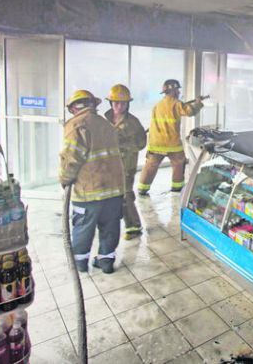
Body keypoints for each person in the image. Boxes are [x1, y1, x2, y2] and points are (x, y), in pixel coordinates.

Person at [59, 89, 125, 274]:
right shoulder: (106, 124)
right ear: (93, 105)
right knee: (110, 226)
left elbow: (71, 158)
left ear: (73, 108)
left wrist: (65, 179)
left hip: (88, 191)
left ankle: (80, 263)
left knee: (83, 227)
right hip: (114, 190)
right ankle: (106, 261)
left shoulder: (76, 125)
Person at [137, 79, 203, 195]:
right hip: (172, 144)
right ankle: (177, 187)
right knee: (179, 163)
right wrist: (198, 103)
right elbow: (190, 112)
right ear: (172, 91)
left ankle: (142, 188)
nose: (178, 92)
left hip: (155, 143)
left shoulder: (157, 106)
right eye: (177, 90)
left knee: (150, 165)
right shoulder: (177, 104)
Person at [103, 84, 147, 240]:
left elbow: (141, 143)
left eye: (123, 103)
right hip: (108, 165)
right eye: (116, 103)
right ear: (111, 103)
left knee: (125, 195)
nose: (119, 106)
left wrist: (125, 144)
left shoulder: (133, 123)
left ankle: (133, 226)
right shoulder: (104, 120)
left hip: (126, 166)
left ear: (128, 104)